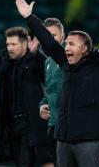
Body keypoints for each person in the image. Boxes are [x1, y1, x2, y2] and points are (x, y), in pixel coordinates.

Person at [15, 0, 99, 167]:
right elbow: (49, 43)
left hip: (88, 139)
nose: (67, 47)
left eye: (71, 44)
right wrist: (29, 18)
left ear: (84, 48)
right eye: (67, 44)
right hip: (63, 138)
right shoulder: (64, 64)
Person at [0, 22, 46, 166]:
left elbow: (46, 71)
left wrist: (36, 53)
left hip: (30, 124)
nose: (10, 48)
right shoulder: (4, 62)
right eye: (8, 44)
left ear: (25, 43)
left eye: (14, 44)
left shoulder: (34, 61)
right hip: (11, 125)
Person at [38, 18, 65, 164]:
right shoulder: (48, 61)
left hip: (67, 124)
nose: (50, 40)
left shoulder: (69, 57)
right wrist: (42, 105)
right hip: (53, 125)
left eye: (53, 35)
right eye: (46, 36)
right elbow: (49, 91)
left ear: (62, 37)